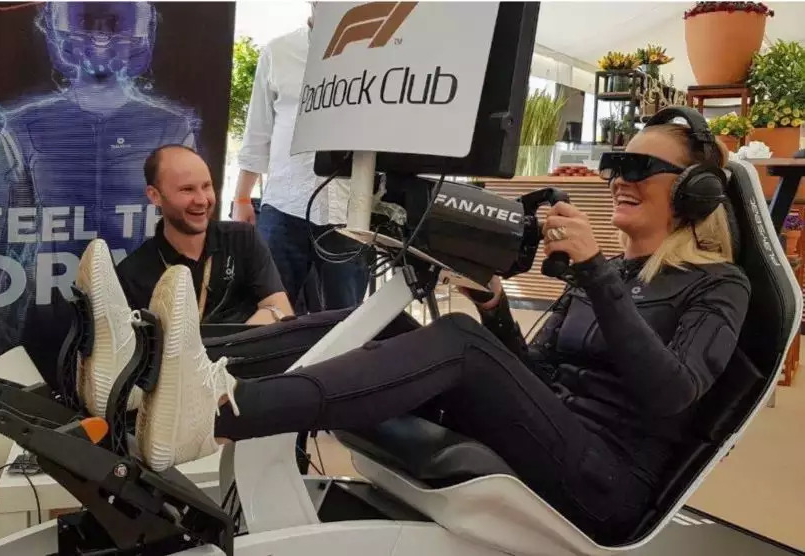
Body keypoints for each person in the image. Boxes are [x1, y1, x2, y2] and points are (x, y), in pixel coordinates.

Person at [85, 115, 751, 544]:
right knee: (390, 323)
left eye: (639, 169)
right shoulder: (608, 276)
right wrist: (495, 306)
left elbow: (673, 392)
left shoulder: (719, 284)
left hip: (607, 483)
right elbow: (539, 378)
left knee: (458, 341)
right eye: (617, 164)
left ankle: (215, 416)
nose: (619, 178)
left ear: (694, 192)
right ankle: (158, 362)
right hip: (556, 439)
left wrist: (596, 272)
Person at [0, 2, 199, 366]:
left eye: (112, 23)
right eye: (89, 22)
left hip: (139, 309)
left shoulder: (169, 128)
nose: (100, 37)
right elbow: (1, 244)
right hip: (50, 310)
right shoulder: (23, 128)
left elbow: (187, 234)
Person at [75, 145, 292, 417]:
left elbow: (281, 311)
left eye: (206, 186)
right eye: (187, 190)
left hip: (248, 387)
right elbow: (140, 368)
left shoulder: (243, 239)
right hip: (178, 406)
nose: (202, 200)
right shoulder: (133, 273)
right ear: (155, 196)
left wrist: (215, 355)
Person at [232, 4, 369, 313]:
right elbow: (258, 132)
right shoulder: (278, 52)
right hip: (284, 206)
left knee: (343, 321)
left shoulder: (375, 54)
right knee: (270, 311)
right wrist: (242, 197)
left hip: (349, 212)